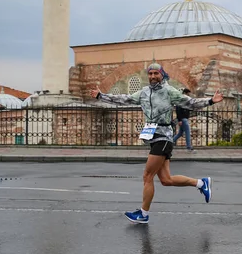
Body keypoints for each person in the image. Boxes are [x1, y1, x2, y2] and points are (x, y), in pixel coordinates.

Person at [90, 63, 223, 224]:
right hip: (153, 138)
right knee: (166, 180)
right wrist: (101, 96)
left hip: (164, 137)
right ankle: (202, 183)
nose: (153, 76)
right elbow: (124, 99)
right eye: (150, 73)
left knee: (147, 176)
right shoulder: (144, 92)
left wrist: (210, 101)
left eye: (156, 73)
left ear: (162, 74)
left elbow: (190, 102)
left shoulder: (169, 91)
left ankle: (143, 214)